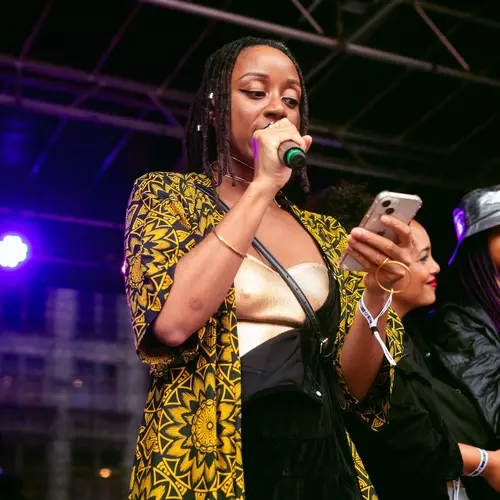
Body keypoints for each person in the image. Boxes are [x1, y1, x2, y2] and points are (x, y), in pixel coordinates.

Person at [124, 37, 411, 500]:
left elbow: (354, 387)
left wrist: (377, 293)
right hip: (209, 455)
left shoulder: (326, 233)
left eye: (291, 100)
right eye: (256, 92)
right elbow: (173, 324)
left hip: (319, 461)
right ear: (215, 110)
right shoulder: (168, 197)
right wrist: (262, 186)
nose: (277, 108)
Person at [320, 183, 500, 499]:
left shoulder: (414, 340)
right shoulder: (443, 327)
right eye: (422, 258)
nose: (435, 267)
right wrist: (486, 462)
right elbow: (404, 437)